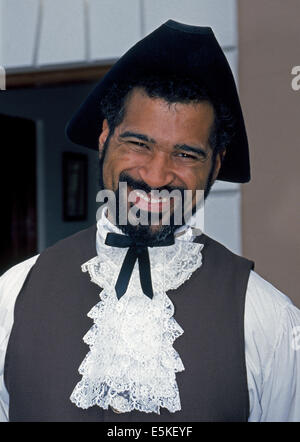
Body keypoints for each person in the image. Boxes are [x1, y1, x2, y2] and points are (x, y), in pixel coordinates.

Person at [1, 20, 300, 422]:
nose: (157, 176)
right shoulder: (10, 296)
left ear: (216, 164)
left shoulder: (270, 321)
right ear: (105, 136)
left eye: (187, 154)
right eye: (139, 144)